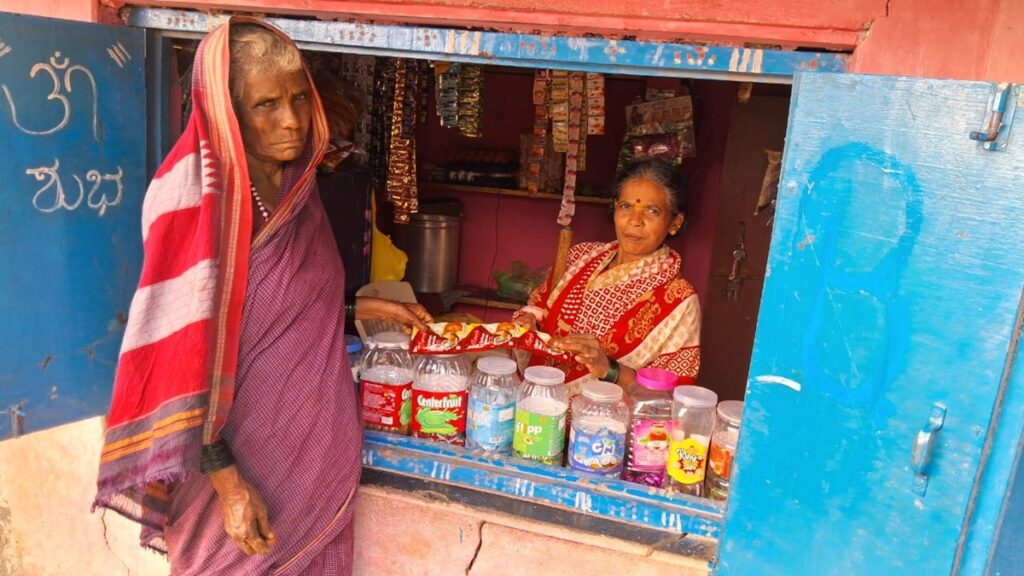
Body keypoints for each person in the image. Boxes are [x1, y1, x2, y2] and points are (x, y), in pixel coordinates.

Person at [93, 19, 429, 575]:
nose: (292, 120)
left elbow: (269, 301)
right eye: (266, 105)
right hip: (235, 464)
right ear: (226, 110)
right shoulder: (197, 199)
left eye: (300, 97)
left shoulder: (297, 186)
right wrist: (228, 485)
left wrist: (355, 309)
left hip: (309, 458)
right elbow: (177, 361)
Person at [513, 158, 701, 392]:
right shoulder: (581, 256)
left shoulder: (678, 300)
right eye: (626, 206)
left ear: (675, 222)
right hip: (539, 399)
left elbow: (670, 394)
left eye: (652, 211)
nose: (634, 220)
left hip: (601, 419)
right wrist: (527, 320)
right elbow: (540, 306)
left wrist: (607, 368)